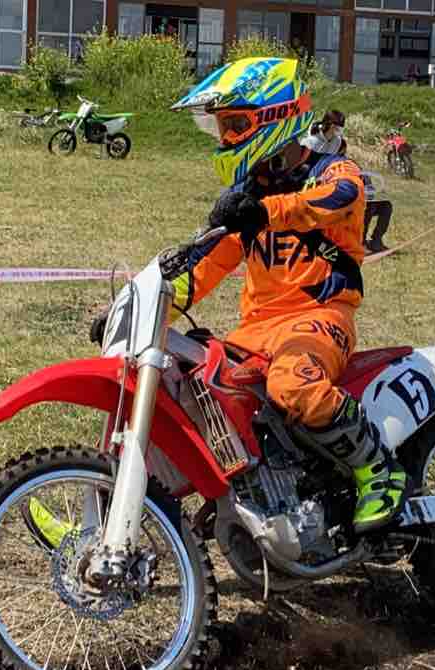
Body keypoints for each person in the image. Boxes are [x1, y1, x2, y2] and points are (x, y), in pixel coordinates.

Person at [165, 57, 406, 534]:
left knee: (292, 385)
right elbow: (207, 264)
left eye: (235, 125)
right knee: (189, 382)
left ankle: (378, 467)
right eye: (221, 128)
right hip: (255, 331)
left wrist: (265, 211)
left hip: (321, 316)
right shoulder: (249, 193)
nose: (225, 138)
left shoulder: (332, 172)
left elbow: (340, 198)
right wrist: (149, 306)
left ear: (275, 117)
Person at [300, 123, 393, 255]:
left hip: (352, 201)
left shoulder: (349, 164)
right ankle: (359, 242)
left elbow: (366, 181)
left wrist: (368, 189)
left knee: (385, 206)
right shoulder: (319, 165)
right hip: (333, 206)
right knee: (367, 207)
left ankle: (376, 242)